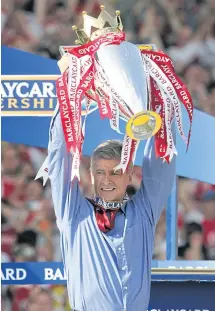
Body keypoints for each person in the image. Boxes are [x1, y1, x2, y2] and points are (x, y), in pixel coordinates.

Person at [47, 108, 176, 311]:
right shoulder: (73, 213)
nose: (106, 180)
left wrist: (160, 107)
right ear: (91, 176)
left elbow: (162, 164)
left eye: (115, 172)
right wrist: (69, 101)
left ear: (129, 175)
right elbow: (58, 158)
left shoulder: (143, 212)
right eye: (99, 172)